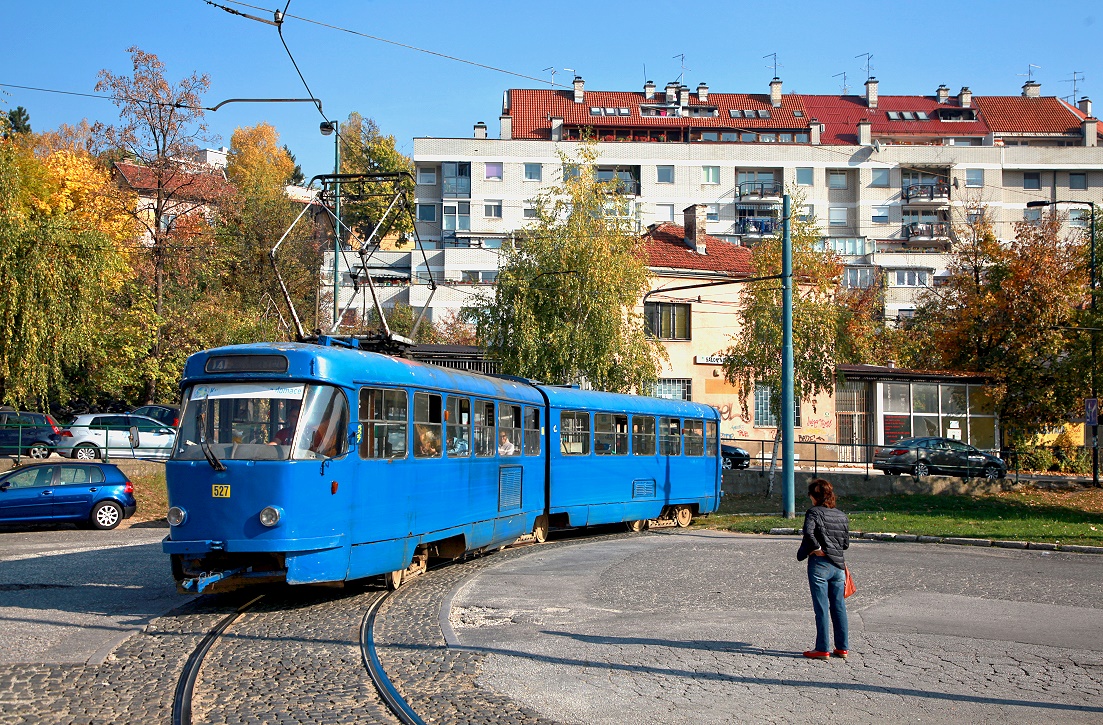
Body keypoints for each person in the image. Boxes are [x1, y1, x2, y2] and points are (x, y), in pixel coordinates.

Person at [796, 478, 850, 660]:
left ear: (814, 496)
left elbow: (808, 532)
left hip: (820, 565)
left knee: (821, 608)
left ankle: (822, 648)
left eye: (810, 495)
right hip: (838, 566)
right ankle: (842, 648)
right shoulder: (842, 515)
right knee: (839, 607)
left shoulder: (813, 512)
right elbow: (845, 544)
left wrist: (817, 548)